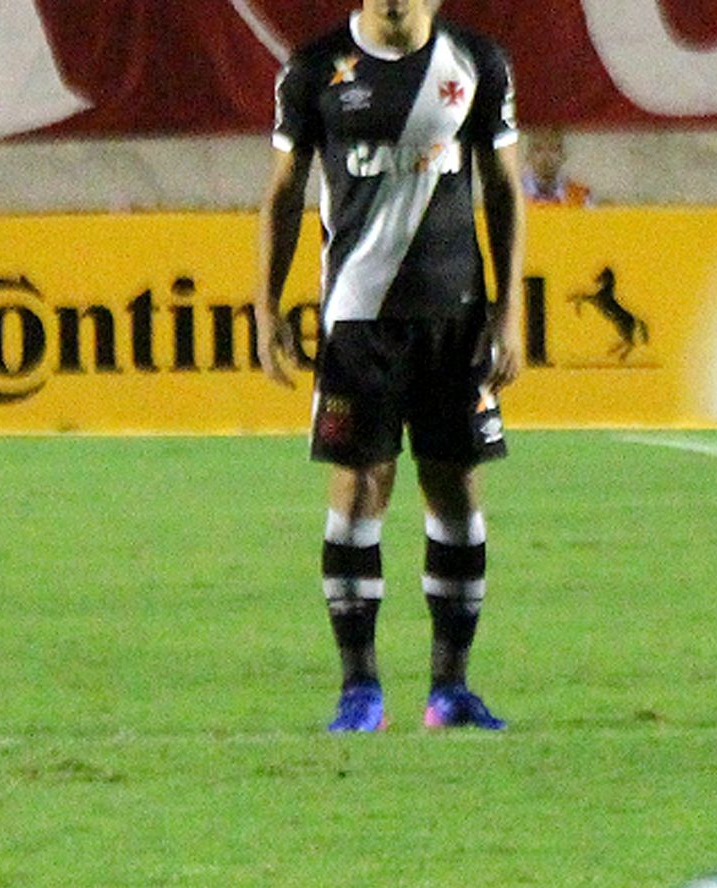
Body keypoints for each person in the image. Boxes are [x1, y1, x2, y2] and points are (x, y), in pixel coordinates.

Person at [255, 0, 526, 732]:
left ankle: (451, 690)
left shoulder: (477, 64)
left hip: (455, 316)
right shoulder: (314, 71)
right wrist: (266, 304)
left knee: (455, 489)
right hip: (357, 319)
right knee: (360, 486)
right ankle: (359, 689)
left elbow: (501, 186)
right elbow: (284, 193)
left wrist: (509, 306)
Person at [522, 128, 595, 207]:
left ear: (563, 155)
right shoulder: (513, 195)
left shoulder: (580, 197)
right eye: (538, 149)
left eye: (553, 149)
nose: (546, 156)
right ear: (528, 156)